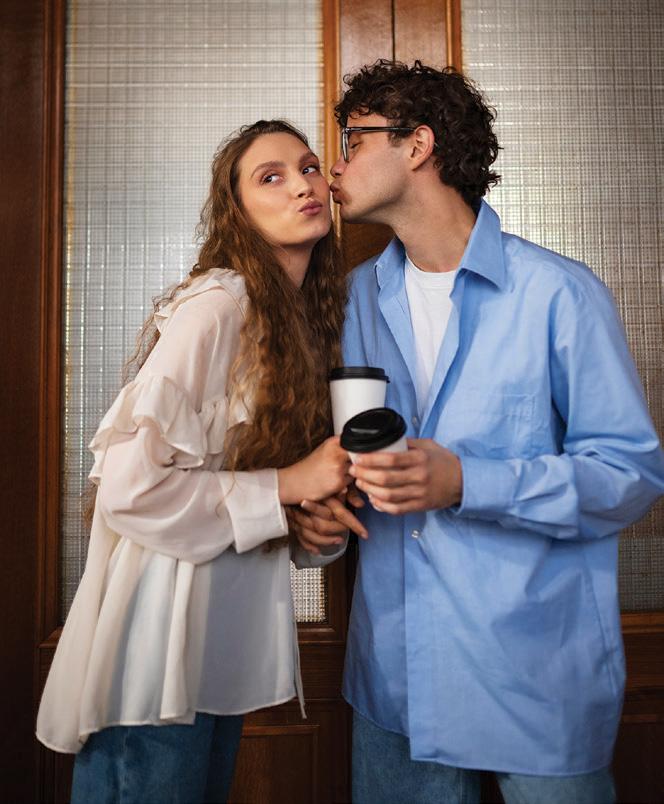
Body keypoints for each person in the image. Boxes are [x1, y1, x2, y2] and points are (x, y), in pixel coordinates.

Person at [295, 60, 664, 803]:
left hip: (534, 677)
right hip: (395, 684)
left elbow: (630, 475)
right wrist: (320, 524)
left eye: (353, 140)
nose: (334, 167)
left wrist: (466, 480)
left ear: (418, 144)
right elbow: (338, 467)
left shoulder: (558, 294)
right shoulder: (351, 301)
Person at [36, 119, 357, 803]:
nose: (302, 185)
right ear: (236, 211)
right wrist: (288, 485)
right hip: (156, 653)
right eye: (270, 177)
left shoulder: (304, 323)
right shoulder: (218, 305)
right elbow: (130, 486)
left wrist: (307, 524)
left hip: (216, 648)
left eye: (308, 167)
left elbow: (246, 491)